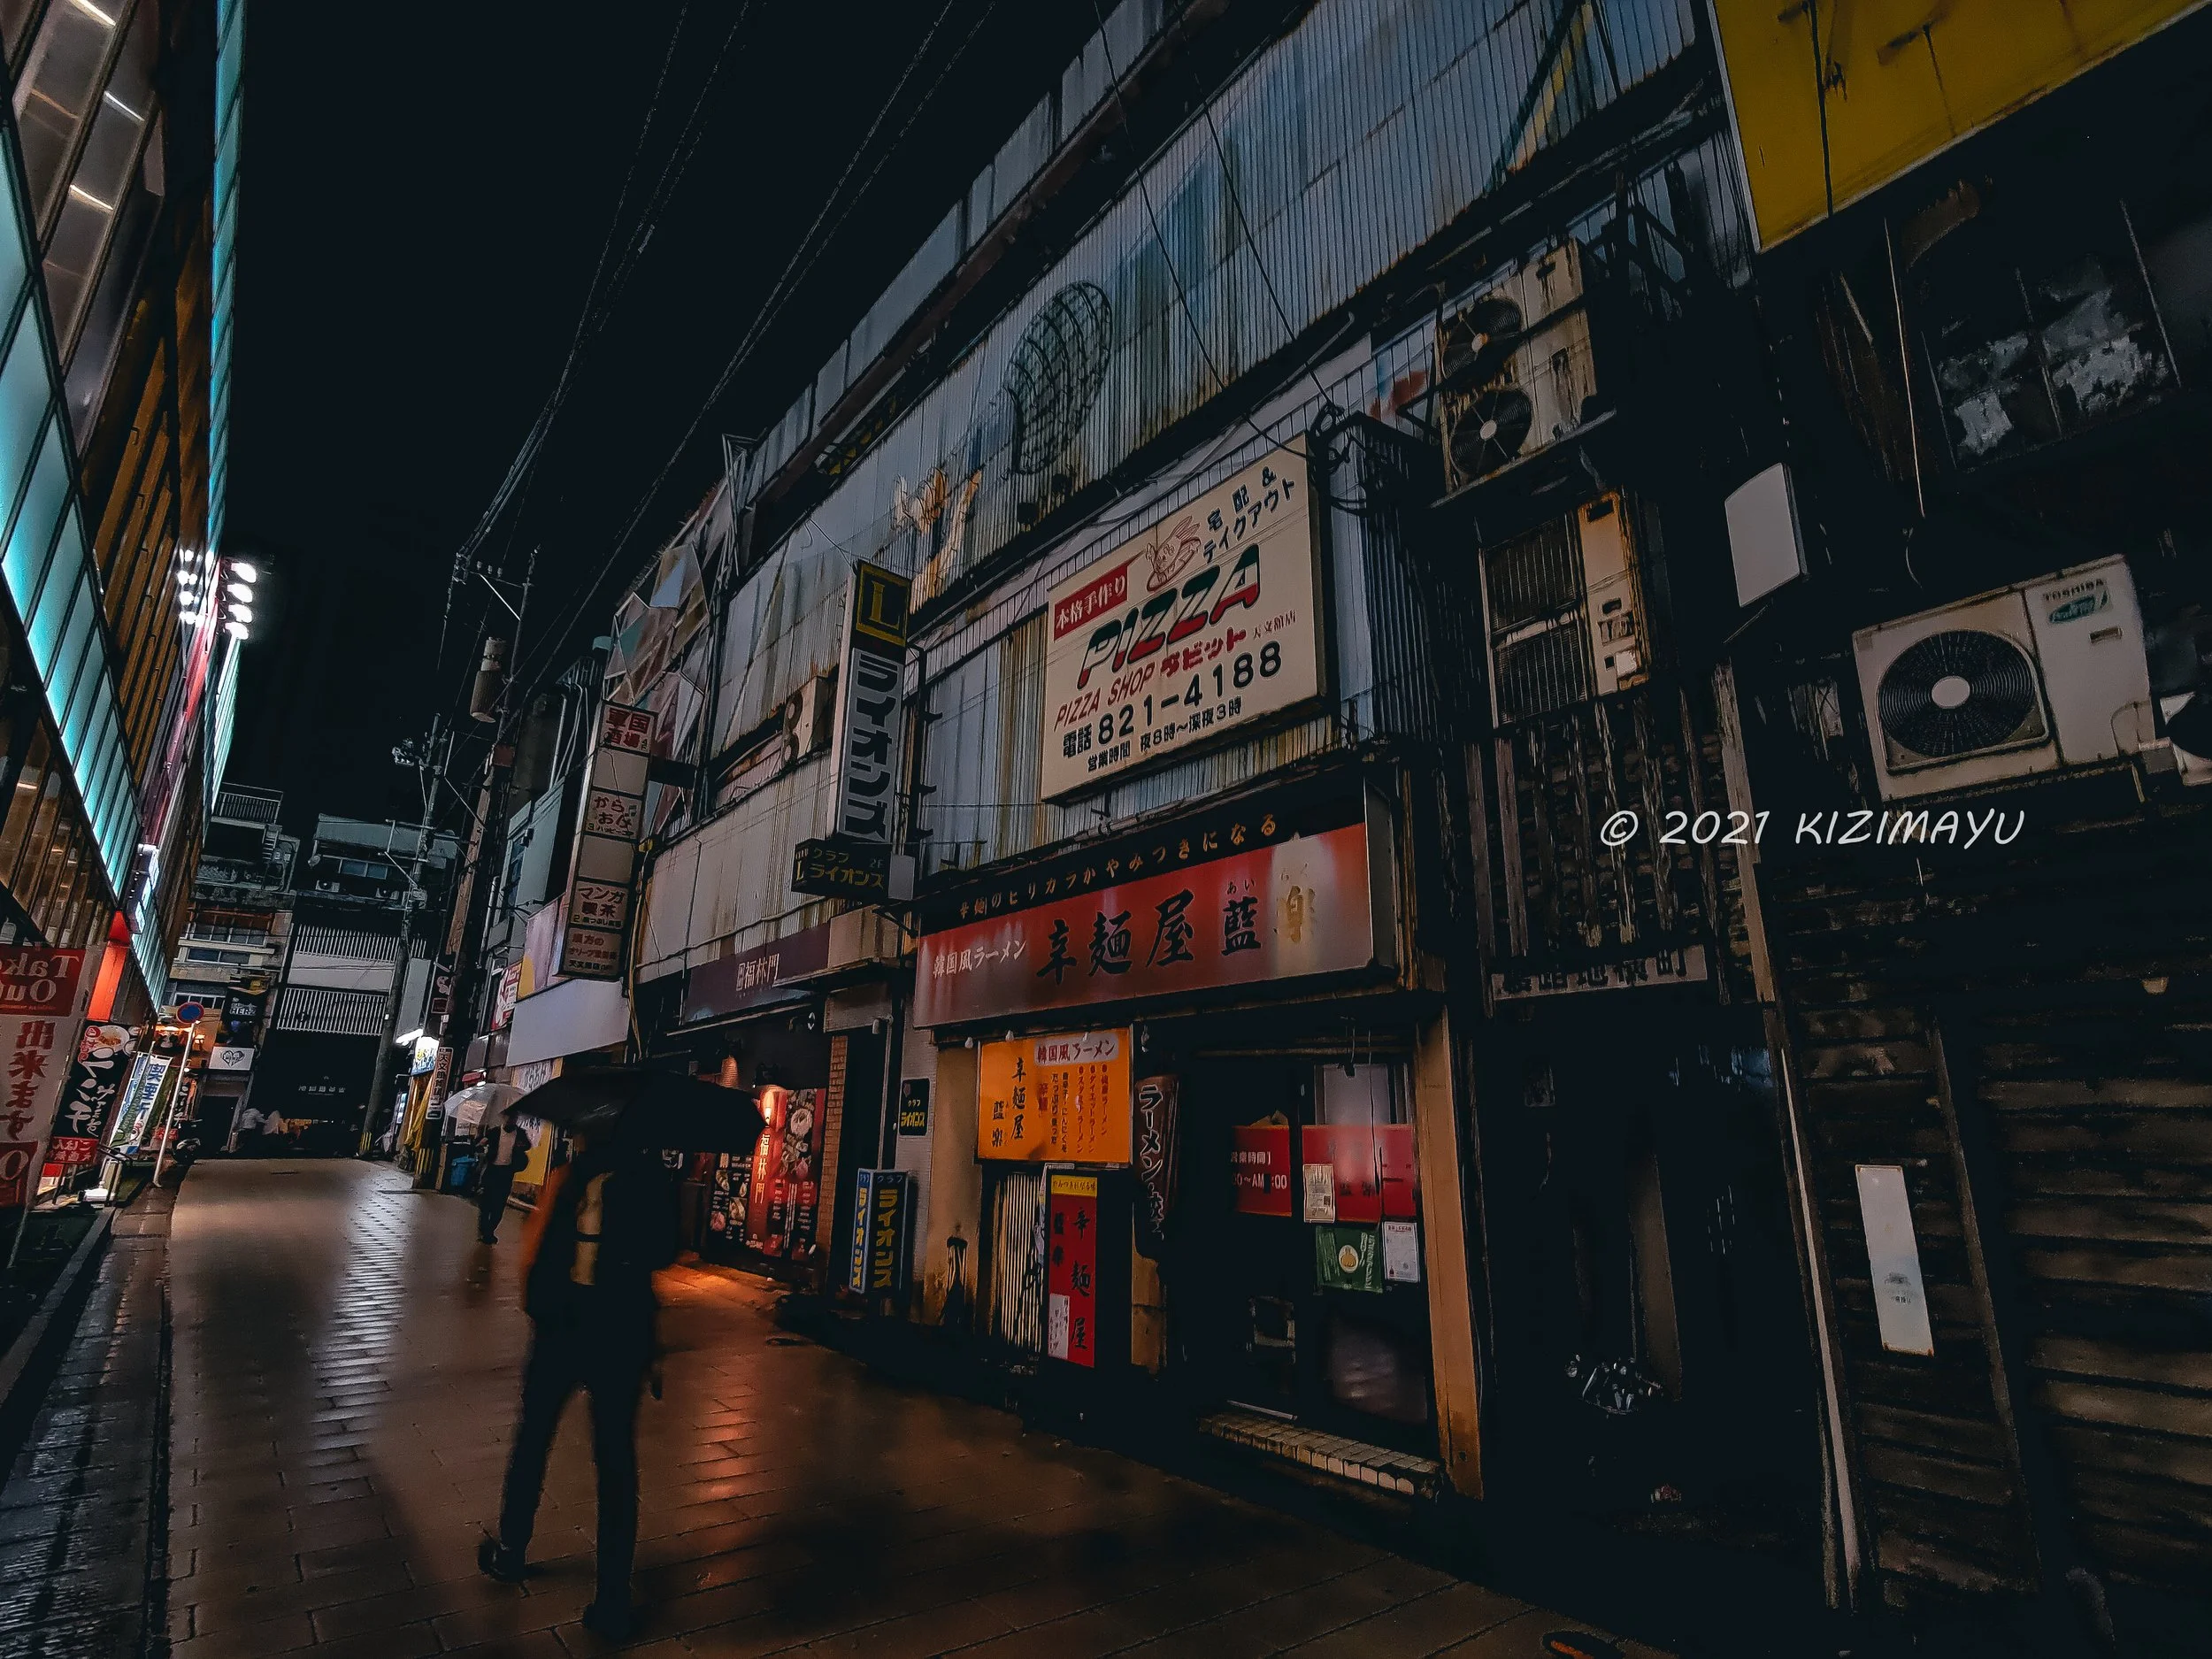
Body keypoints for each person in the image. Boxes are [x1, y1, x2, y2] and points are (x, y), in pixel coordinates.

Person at [480, 1132, 676, 1640]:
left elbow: (535, 1252)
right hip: (622, 1333)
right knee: (615, 1463)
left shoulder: (567, 1177)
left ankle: (511, 1550)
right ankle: (612, 1598)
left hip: (561, 1330)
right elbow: (665, 1251)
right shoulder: (652, 1181)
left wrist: (537, 1305)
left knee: (533, 1439)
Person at [476, 1108, 533, 1243]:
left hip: (506, 1173)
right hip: (492, 1170)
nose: (510, 1120)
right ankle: (484, 1230)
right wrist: (482, 1141)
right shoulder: (494, 1132)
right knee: (486, 1204)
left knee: (499, 1205)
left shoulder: (520, 1134)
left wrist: (521, 1146)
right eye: (508, 1117)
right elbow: (478, 1144)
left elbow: (528, 1146)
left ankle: (490, 1231)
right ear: (503, 1118)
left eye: (513, 1118)